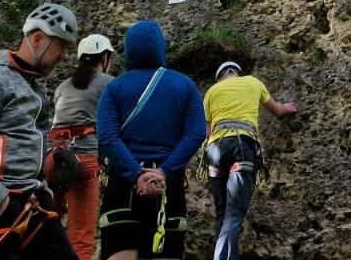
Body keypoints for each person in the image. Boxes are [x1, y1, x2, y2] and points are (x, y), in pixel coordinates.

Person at [0, 2, 81, 260]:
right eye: (62, 45)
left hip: (32, 205)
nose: (65, 55)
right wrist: (0, 201)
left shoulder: (36, 92)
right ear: (38, 38)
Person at [95, 22, 205, 260]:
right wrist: (164, 172)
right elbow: (196, 133)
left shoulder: (114, 88)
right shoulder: (185, 85)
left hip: (123, 186)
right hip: (168, 186)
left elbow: (107, 136)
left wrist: (136, 174)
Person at [201, 60, 297, 260]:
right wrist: (287, 108)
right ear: (237, 73)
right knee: (234, 214)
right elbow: (278, 111)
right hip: (242, 146)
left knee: (222, 213)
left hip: (215, 150)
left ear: (220, 77)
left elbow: (207, 132)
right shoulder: (253, 82)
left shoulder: (212, 92)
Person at [50, 34, 116, 260]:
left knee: (47, 231)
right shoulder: (109, 83)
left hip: (52, 159)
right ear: (105, 57)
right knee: (80, 236)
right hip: (83, 160)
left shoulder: (61, 87)